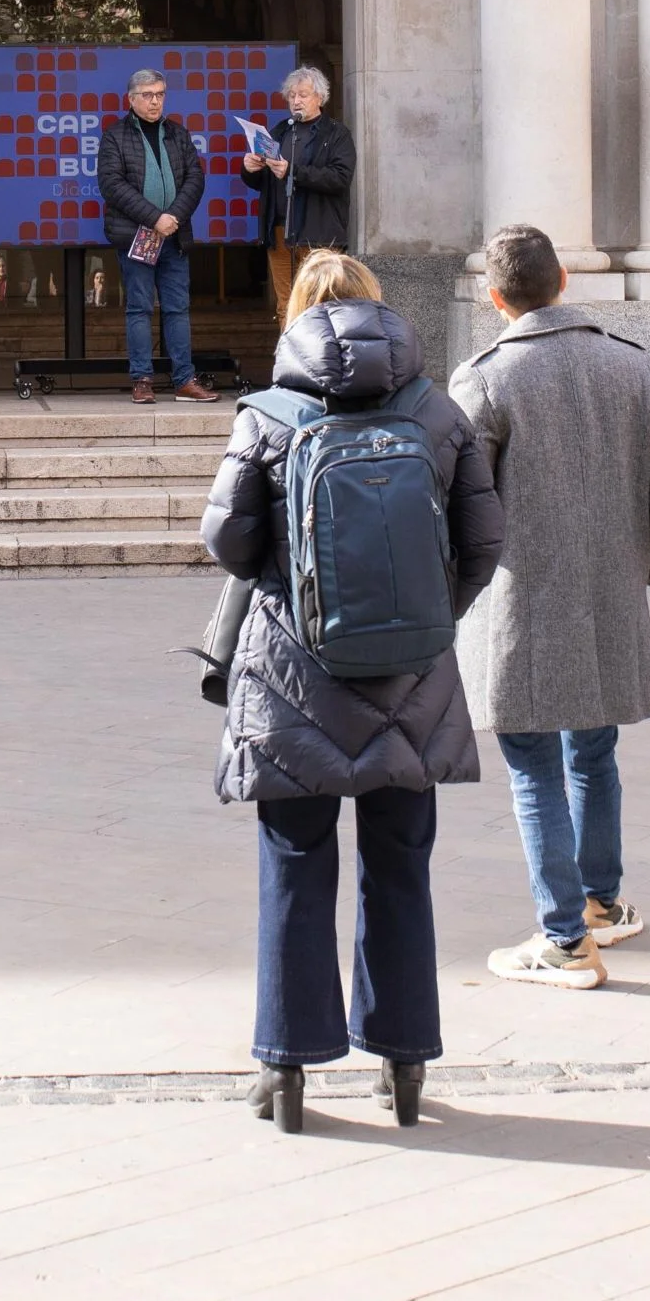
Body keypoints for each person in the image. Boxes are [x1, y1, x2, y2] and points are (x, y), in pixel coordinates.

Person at [202, 249, 502, 1131]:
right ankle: (403, 1059)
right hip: (412, 675)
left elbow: (225, 538)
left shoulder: (271, 412)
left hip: (294, 676)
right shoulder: (437, 411)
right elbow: (486, 538)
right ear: (382, 309)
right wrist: (423, 609)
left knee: (295, 863)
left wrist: (294, 591)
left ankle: (287, 1066)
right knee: (401, 865)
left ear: (296, 313)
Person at [447, 224, 650, 990]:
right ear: (562, 282)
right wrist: (642, 559)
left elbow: (458, 503)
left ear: (496, 299)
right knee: (593, 751)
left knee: (532, 765)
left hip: (522, 603)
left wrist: (463, 586)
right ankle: (601, 903)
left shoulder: (486, 378)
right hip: (608, 593)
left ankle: (563, 939)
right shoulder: (632, 365)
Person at [98, 67, 216, 405]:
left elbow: (195, 178)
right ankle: (142, 381)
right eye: (148, 95)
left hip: (174, 238)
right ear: (132, 99)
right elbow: (112, 185)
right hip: (137, 237)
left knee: (178, 309)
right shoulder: (114, 136)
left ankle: (184, 381)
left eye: (160, 94)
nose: (155, 101)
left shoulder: (177, 134)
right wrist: (154, 219)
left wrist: (173, 218)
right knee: (139, 308)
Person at [243, 64, 355, 322]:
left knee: (321, 304)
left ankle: (320, 361)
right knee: (286, 305)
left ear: (320, 97)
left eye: (303, 95)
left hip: (319, 233)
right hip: (281, 230)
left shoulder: (336, 134)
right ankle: (290, 362)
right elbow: (263, 183)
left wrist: (294, 172)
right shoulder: (281, 131)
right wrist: (250, 169)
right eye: (292, 96)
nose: (296, 101)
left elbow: (339, 178)